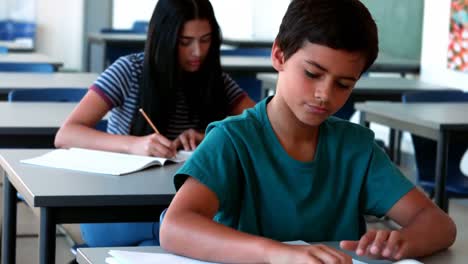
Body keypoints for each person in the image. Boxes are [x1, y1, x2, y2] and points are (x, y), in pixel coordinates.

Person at [159, 0, 457, 263]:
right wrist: (275, 253)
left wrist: (404, 241)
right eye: (312, 74)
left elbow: (440, 224)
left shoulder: (356, 148)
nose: (324, 95)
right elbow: (175, 227)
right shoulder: (232, 140)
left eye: (343, 84)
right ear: (279, 55)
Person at [54, 0, 255, 247]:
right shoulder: (129, 71)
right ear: (164, 38)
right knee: (174, 241)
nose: (197, 51)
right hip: (117, 209)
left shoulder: (216, 82)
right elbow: (66, 134)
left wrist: (211, 137)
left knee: (160, 246)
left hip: (182, 209)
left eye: (205, 40)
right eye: (185, 42)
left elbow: (259, 127)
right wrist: (133, 145)